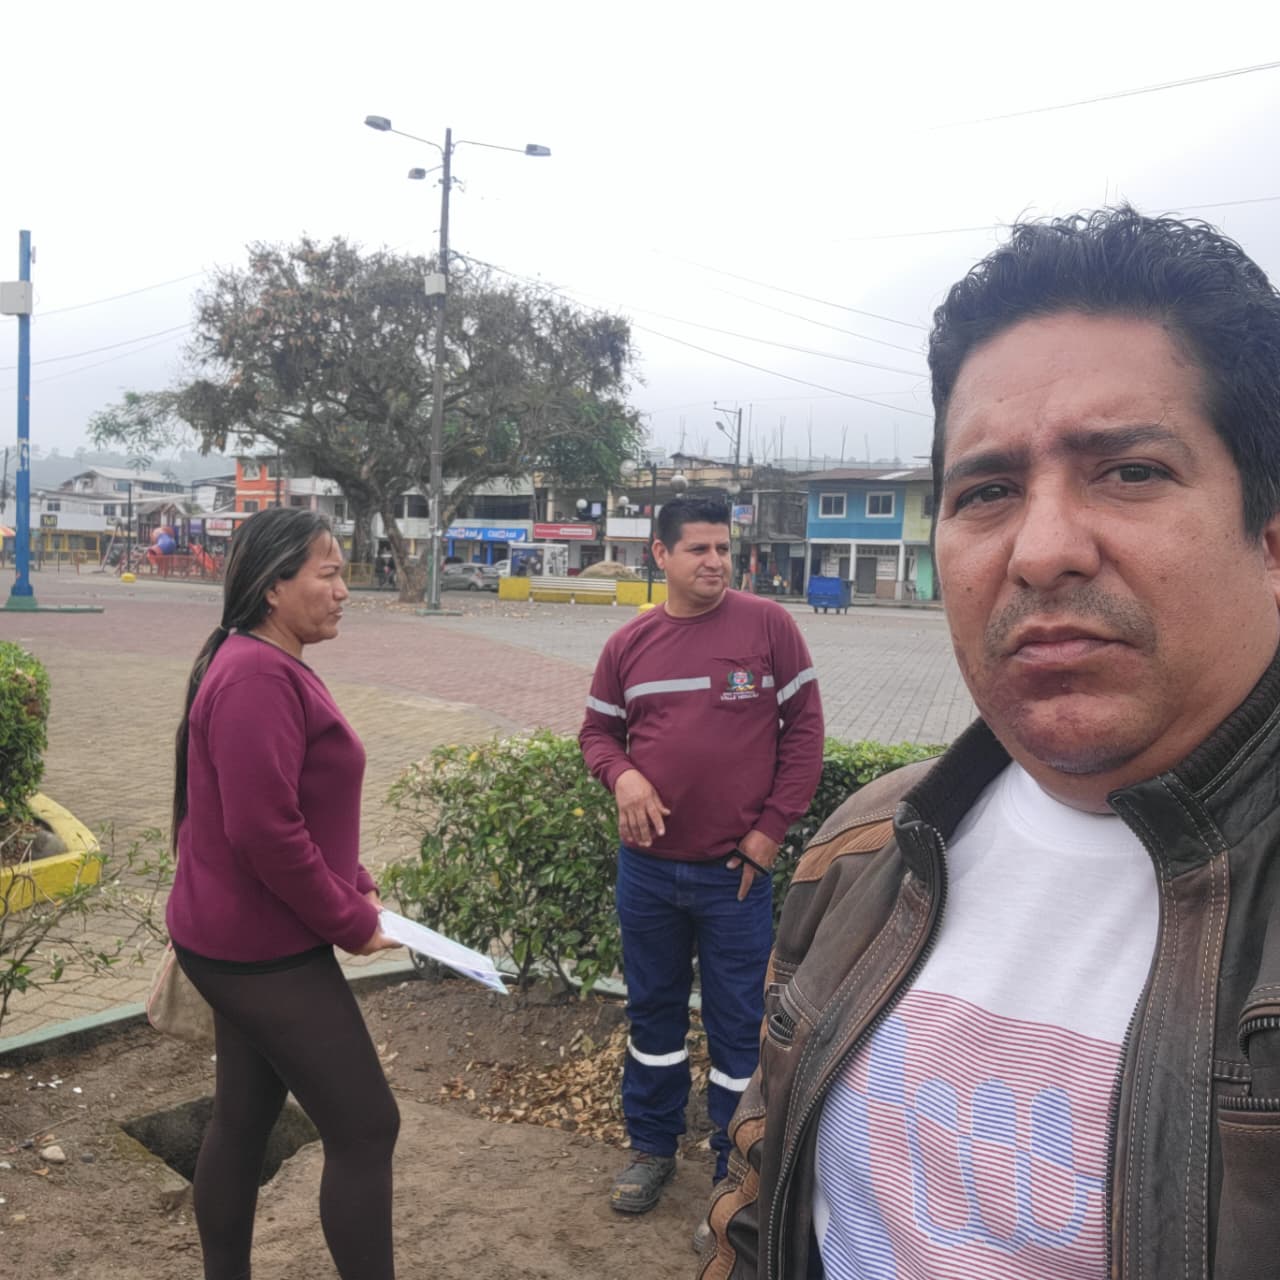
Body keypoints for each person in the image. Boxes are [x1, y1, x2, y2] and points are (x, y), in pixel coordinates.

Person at [702, 206, 1280, 1279]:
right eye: (987, 491)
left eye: (1129, 471)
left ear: (1270, 538)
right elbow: (758, 1194)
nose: (1041, 549)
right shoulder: (867, 848)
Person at [165, 507, 401, 1280]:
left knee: (243, 1117)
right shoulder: (255, 676)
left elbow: (291, 806)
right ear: (274, 587)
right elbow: (265, 833)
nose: (344, 590)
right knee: (366, 1126)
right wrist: (349, 919)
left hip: (243, 936)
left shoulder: (263, 662)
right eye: (328, 574)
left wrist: (354, 882)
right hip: (257, 949)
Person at [579, 495, 824, 1225]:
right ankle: (652, 1148)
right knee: (653, 1015)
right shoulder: (628, 645)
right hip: (648, 873)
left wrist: (769, 832)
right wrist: (622, 776)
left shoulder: (768, 627)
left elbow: (805, 733)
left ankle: (732, 1171)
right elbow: (597, 734)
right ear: (660, 554)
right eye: (699, 549)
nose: (716, 562)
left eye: (723, 548)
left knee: (739, 1026)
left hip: (733, 877)